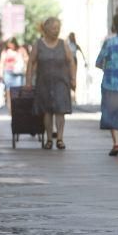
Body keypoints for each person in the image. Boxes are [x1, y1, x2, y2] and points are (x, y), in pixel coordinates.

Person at [26, 17, 76, 150]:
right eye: (54, 28)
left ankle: (59, 138)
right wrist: (28, 81)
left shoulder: (63, 43)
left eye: (58, 28)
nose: (57, 31)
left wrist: (73, 78)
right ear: (46, 29)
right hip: (44, 83)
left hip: (61, 82)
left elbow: (71, 61)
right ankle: (49, 139)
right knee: (47, 111)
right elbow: (31, 62)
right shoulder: (38, 44)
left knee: (60, 111)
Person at [96, 13, 118, 156]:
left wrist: (108, 68)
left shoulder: (109, 43)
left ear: (114, 26)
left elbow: (99, 62)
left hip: (111, 85)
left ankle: (116, 143)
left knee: (113, 113)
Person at [0, 38, 25, 111]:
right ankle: (10, 109)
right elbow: (2, 63)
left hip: (18, 73)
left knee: (18, 91)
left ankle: (17, 107)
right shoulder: (5, 51)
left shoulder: (20, 50)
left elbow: (26, 59)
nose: (10, 46)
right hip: (8, 72)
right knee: (8, 91)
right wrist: (0, 74)